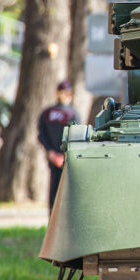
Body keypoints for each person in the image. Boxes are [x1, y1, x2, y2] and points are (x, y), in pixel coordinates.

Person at [38, 79, 79, 213]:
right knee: (55, 188)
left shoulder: (71, 113)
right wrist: (51, 152)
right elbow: (42, 133)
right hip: (56, 156)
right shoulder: (49, 113)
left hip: (64, 156)